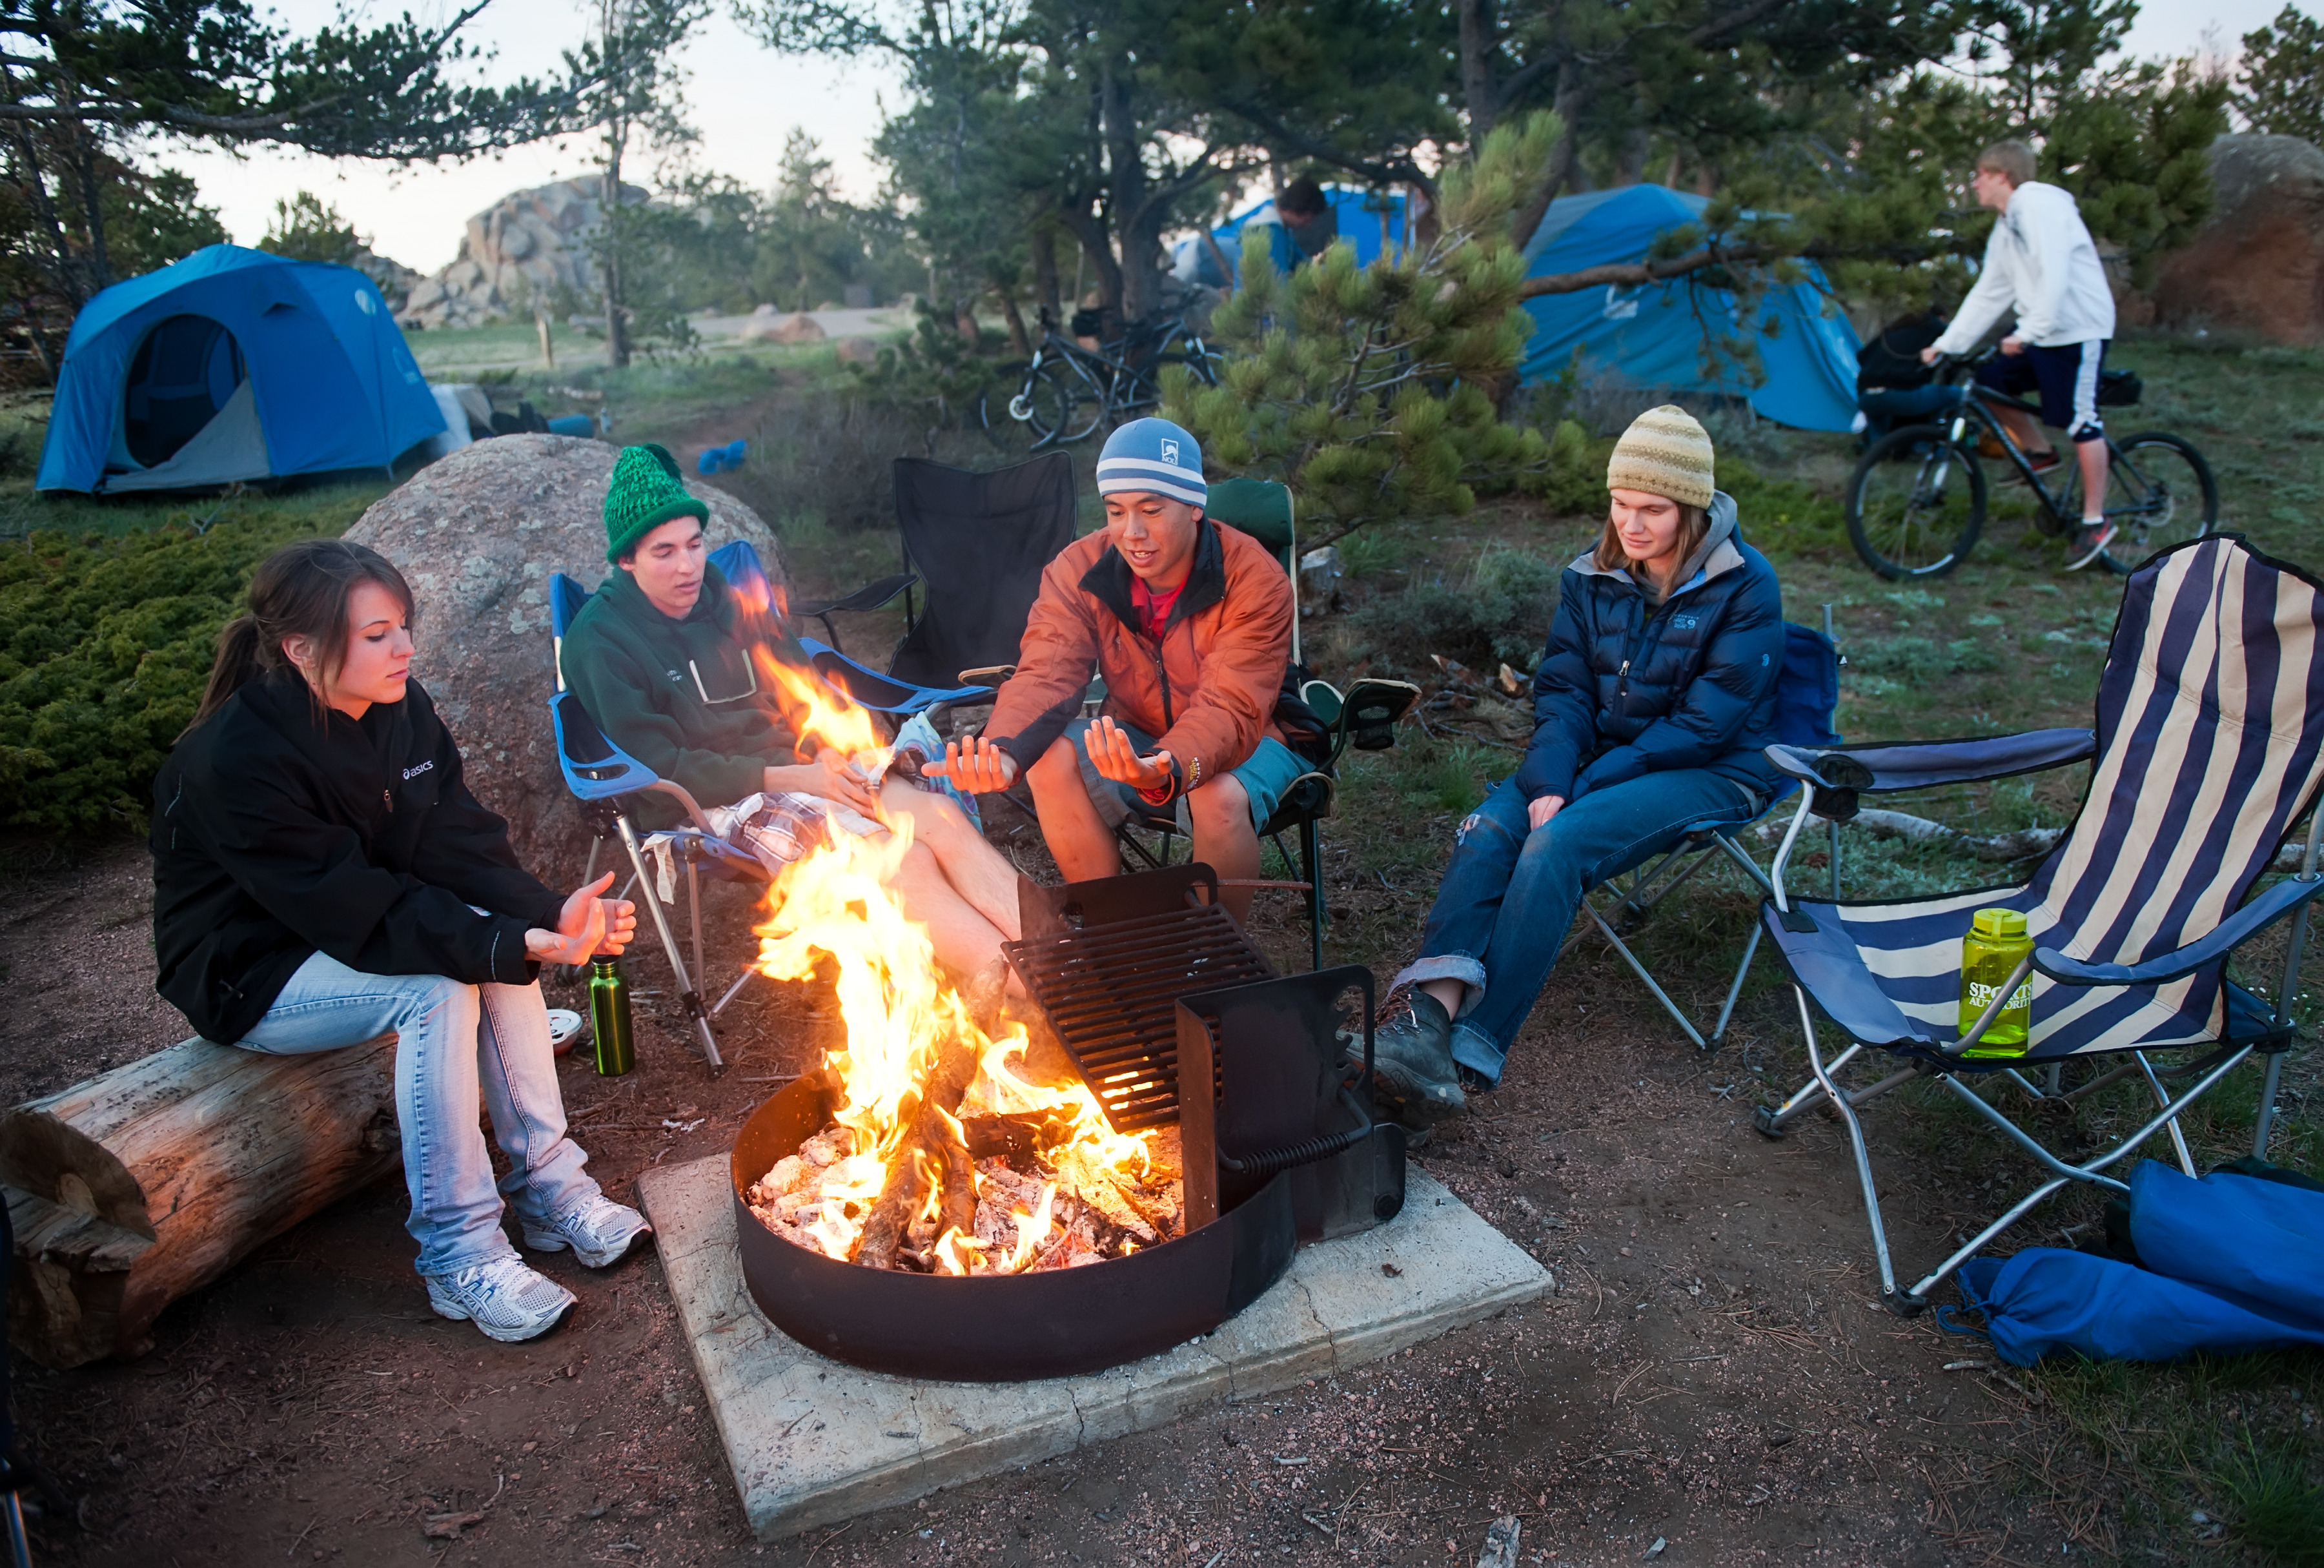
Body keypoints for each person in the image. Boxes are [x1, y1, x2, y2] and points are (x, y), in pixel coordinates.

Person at [151, 538, 650, 1344]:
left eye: (404, 626)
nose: (405, 648)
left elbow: (455, 841)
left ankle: (551, 1188)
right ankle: (458, 1252)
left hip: (349, 924)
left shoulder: (397, 706)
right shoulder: (237, 760)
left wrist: (551, 912)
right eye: (378, 633)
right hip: (252, 965)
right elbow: (358, 907)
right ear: (301, 650)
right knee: (442, 981)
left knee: (491, 948)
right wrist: (505, 941)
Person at [1362, 406, 1783, 1117]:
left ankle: (1469, 1050)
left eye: (1653, 509)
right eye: (1621, 504)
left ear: (1694, 510)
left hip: (1716, 766)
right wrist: (1553, 778)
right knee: (1494, 829)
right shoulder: (1592, 575)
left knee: (1554, 842)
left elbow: (1706, 725)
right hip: (1602, 753)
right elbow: (1563, 692)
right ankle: (1423, 1027)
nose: (1632, 524)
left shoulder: (1744, 585)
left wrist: (1577, 791)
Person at [558, 445, 1023, 981]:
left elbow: (800, 687)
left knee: (938, 820)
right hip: (716, 800)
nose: (687, 567)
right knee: (897, 859)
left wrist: (822, 746)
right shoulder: (601, 640)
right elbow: (664, 766)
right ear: (625, 559)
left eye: (694, 544)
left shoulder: (724, 595)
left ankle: (1060, 956)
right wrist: (797, 775)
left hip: (804, 766)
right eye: (664, 553)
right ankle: (1025, 992)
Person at [925, 418, 1302, 926]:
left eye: (1151, 510)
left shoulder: (1253, 578)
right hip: (1136, 727)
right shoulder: (1079, 569)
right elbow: (1046, 671)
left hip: (1254, 736)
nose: (1133, 533)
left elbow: (1231, 707)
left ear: (1194, 506)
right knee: (1047, 757)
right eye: (1116, 511)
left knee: (1218, 796)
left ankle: (1210, 953)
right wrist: (1003, 751)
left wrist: (1165, 765)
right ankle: (1112, 931)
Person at [1921, 139, 2119, 569]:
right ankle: (2038, 452)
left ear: (2001, 176)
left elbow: (2056, 272)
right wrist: (1947, 344)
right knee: (1990, 384)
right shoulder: (2007, 226)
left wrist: (2029, 329)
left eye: (1980, 176)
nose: (1974, 184)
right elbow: (1990, 291)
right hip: (2042, 333)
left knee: (2081, 419)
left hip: (2078, 328)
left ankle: (2095, 520)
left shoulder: (2038, 206)